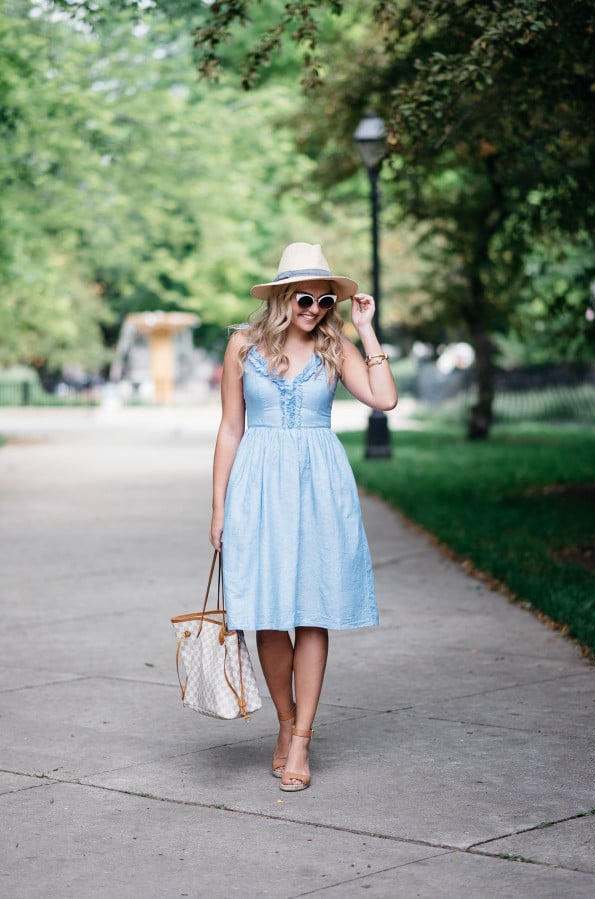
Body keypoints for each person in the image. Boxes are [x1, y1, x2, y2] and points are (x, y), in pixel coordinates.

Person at [210, 242, 397, 792]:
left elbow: (383, 399)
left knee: (313, 611)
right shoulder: (242, 346)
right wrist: (219, 506)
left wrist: (366, 328)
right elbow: (229, 430)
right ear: (283, 297)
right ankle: (285, 722)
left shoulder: (335, 345)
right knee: (267, 614)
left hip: (320, 486)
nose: (313, 308)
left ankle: (301, 741)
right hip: (258, 486)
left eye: (322, 299)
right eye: (303, 297)